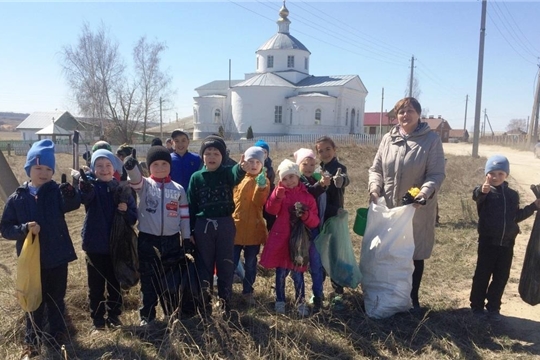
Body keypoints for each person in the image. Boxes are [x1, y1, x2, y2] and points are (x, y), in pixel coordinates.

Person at [0, 139, 80, 356]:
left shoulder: (56, 192)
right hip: (31, 262)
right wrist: (25, 228)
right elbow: (5, 228)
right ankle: (31, 340)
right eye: (38, 168)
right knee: (33, 301)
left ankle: (58, 333)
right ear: (29, 169)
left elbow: (73, 204)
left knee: (56, 299)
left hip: (57, 258)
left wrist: (72, 192)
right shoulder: (18, 198)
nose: (43, 173)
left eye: (48, 169)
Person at [368, 97, 446, 311]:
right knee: (389, 251)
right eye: (401, 111)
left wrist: (423, 194)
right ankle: (389, 295)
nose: (405, 115)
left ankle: (411, 299)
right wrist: (375, 188)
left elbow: (436, 173)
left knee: (413, 253)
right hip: (390, 207)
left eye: (410, 111)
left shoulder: (431, 140)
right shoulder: (388, 139)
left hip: (416, 209)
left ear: (419, 114)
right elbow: (376, 169)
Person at [123, 145, 191, 326]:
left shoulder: (178, 189)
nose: (160, 168)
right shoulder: (145, 185)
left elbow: (184, 216)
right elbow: (135, 180)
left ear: (170, 166)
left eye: (164, 164)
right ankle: (147, 316)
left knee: (170, 281)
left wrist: (186, 238)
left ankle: (171, 313)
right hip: (148, 240)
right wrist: (131, 166)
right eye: (155, 164)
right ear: (149, 167)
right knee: (149, 281)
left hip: (172, 241)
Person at [470, 155, 540, 321]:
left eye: (500, 173)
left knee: (501, 276)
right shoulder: (484, 193)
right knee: (482, 274)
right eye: (492, 173)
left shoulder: (512, 195)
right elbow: (476, 194)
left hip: (507, 243)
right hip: (488, 242)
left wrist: (533, 207)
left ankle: (494, 306)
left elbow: (516, 216)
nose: (496, 177)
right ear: (486, 174)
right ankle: (476, 306)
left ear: (506, 175)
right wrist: (481, 190)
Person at [187, 135, 247, 314]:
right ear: (202, 156)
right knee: (204, 266)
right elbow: (191, 205)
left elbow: (236, 174)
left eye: (216, 153)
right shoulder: (196, 177)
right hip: (203, 227)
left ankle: (225, 305)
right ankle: (204, 306)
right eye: (208, 153)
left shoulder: (226, 173)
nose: (212, 156)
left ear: (222, 157)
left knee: (225, 265)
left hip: (225, 225)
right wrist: (189, 230)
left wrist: (242, 168)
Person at [79, 149, 137, 333]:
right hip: (95, 246)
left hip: (117, 246)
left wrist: (125, 209)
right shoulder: (91, 187)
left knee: (114, 284)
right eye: (99, 166)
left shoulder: (122, 189)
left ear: (114, 168)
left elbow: (133, 218)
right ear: (93, 169)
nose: (104, 169)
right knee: (95, 286)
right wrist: (83, 182)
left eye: (108, 165)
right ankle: (97, 320)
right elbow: (85, 198)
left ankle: (114, 316)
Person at [260, 159, 319, 316]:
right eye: (284, 179)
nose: (289, 181)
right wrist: (277, 196)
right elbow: (271, 210)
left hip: (299, 243)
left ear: (298, 176)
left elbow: (315, 221)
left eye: (291, 177)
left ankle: (300, 302)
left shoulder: (307, 196)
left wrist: (305, 215)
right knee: (280, 273)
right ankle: (280, 300)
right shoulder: (280, 192)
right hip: (281, 240)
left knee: (298, 274)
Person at [315, 135, 350, 309]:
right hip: (319, 217)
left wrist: (340, 181)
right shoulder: (318, 169)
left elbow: (345, 179)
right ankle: (318, 291)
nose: (325, 153)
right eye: (320, 151)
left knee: (335, 254)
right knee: (320, 254)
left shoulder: (339, 168)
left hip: (335, 217)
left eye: (328, 149)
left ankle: (338, 292)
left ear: (334, 149)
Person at [294, 148, 331, 313]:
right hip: (301, 231)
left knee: (316, 264)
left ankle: (318, 296)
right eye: (305, 163)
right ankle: (300, 298)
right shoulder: (298, 180)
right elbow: (310, 190)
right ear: (298, 165)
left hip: (314, 228)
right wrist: (322, 185)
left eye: (312, 164)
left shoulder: (313, 178)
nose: (308, 167)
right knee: (300, 264)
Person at [232, 146, 269, 305]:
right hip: (236, 228)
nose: (254, 165)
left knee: (251, 263)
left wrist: (260, 188)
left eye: (257, 162)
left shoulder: (264, 181)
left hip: (254, 229)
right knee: (231, 261)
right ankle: (226, 289)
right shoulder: (238, 178)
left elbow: (258, 203)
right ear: (243, 161)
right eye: (250, 161)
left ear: (262, 164)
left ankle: (248, 291)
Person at [255, 139, 277, 230]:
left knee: (270, 217)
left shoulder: (269, 167)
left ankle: (271, 234)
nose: (262, 155)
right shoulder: (253, 165)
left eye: (264, 152)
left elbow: (271, 182)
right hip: (255, 197)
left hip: (267, 196)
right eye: (259, 152)